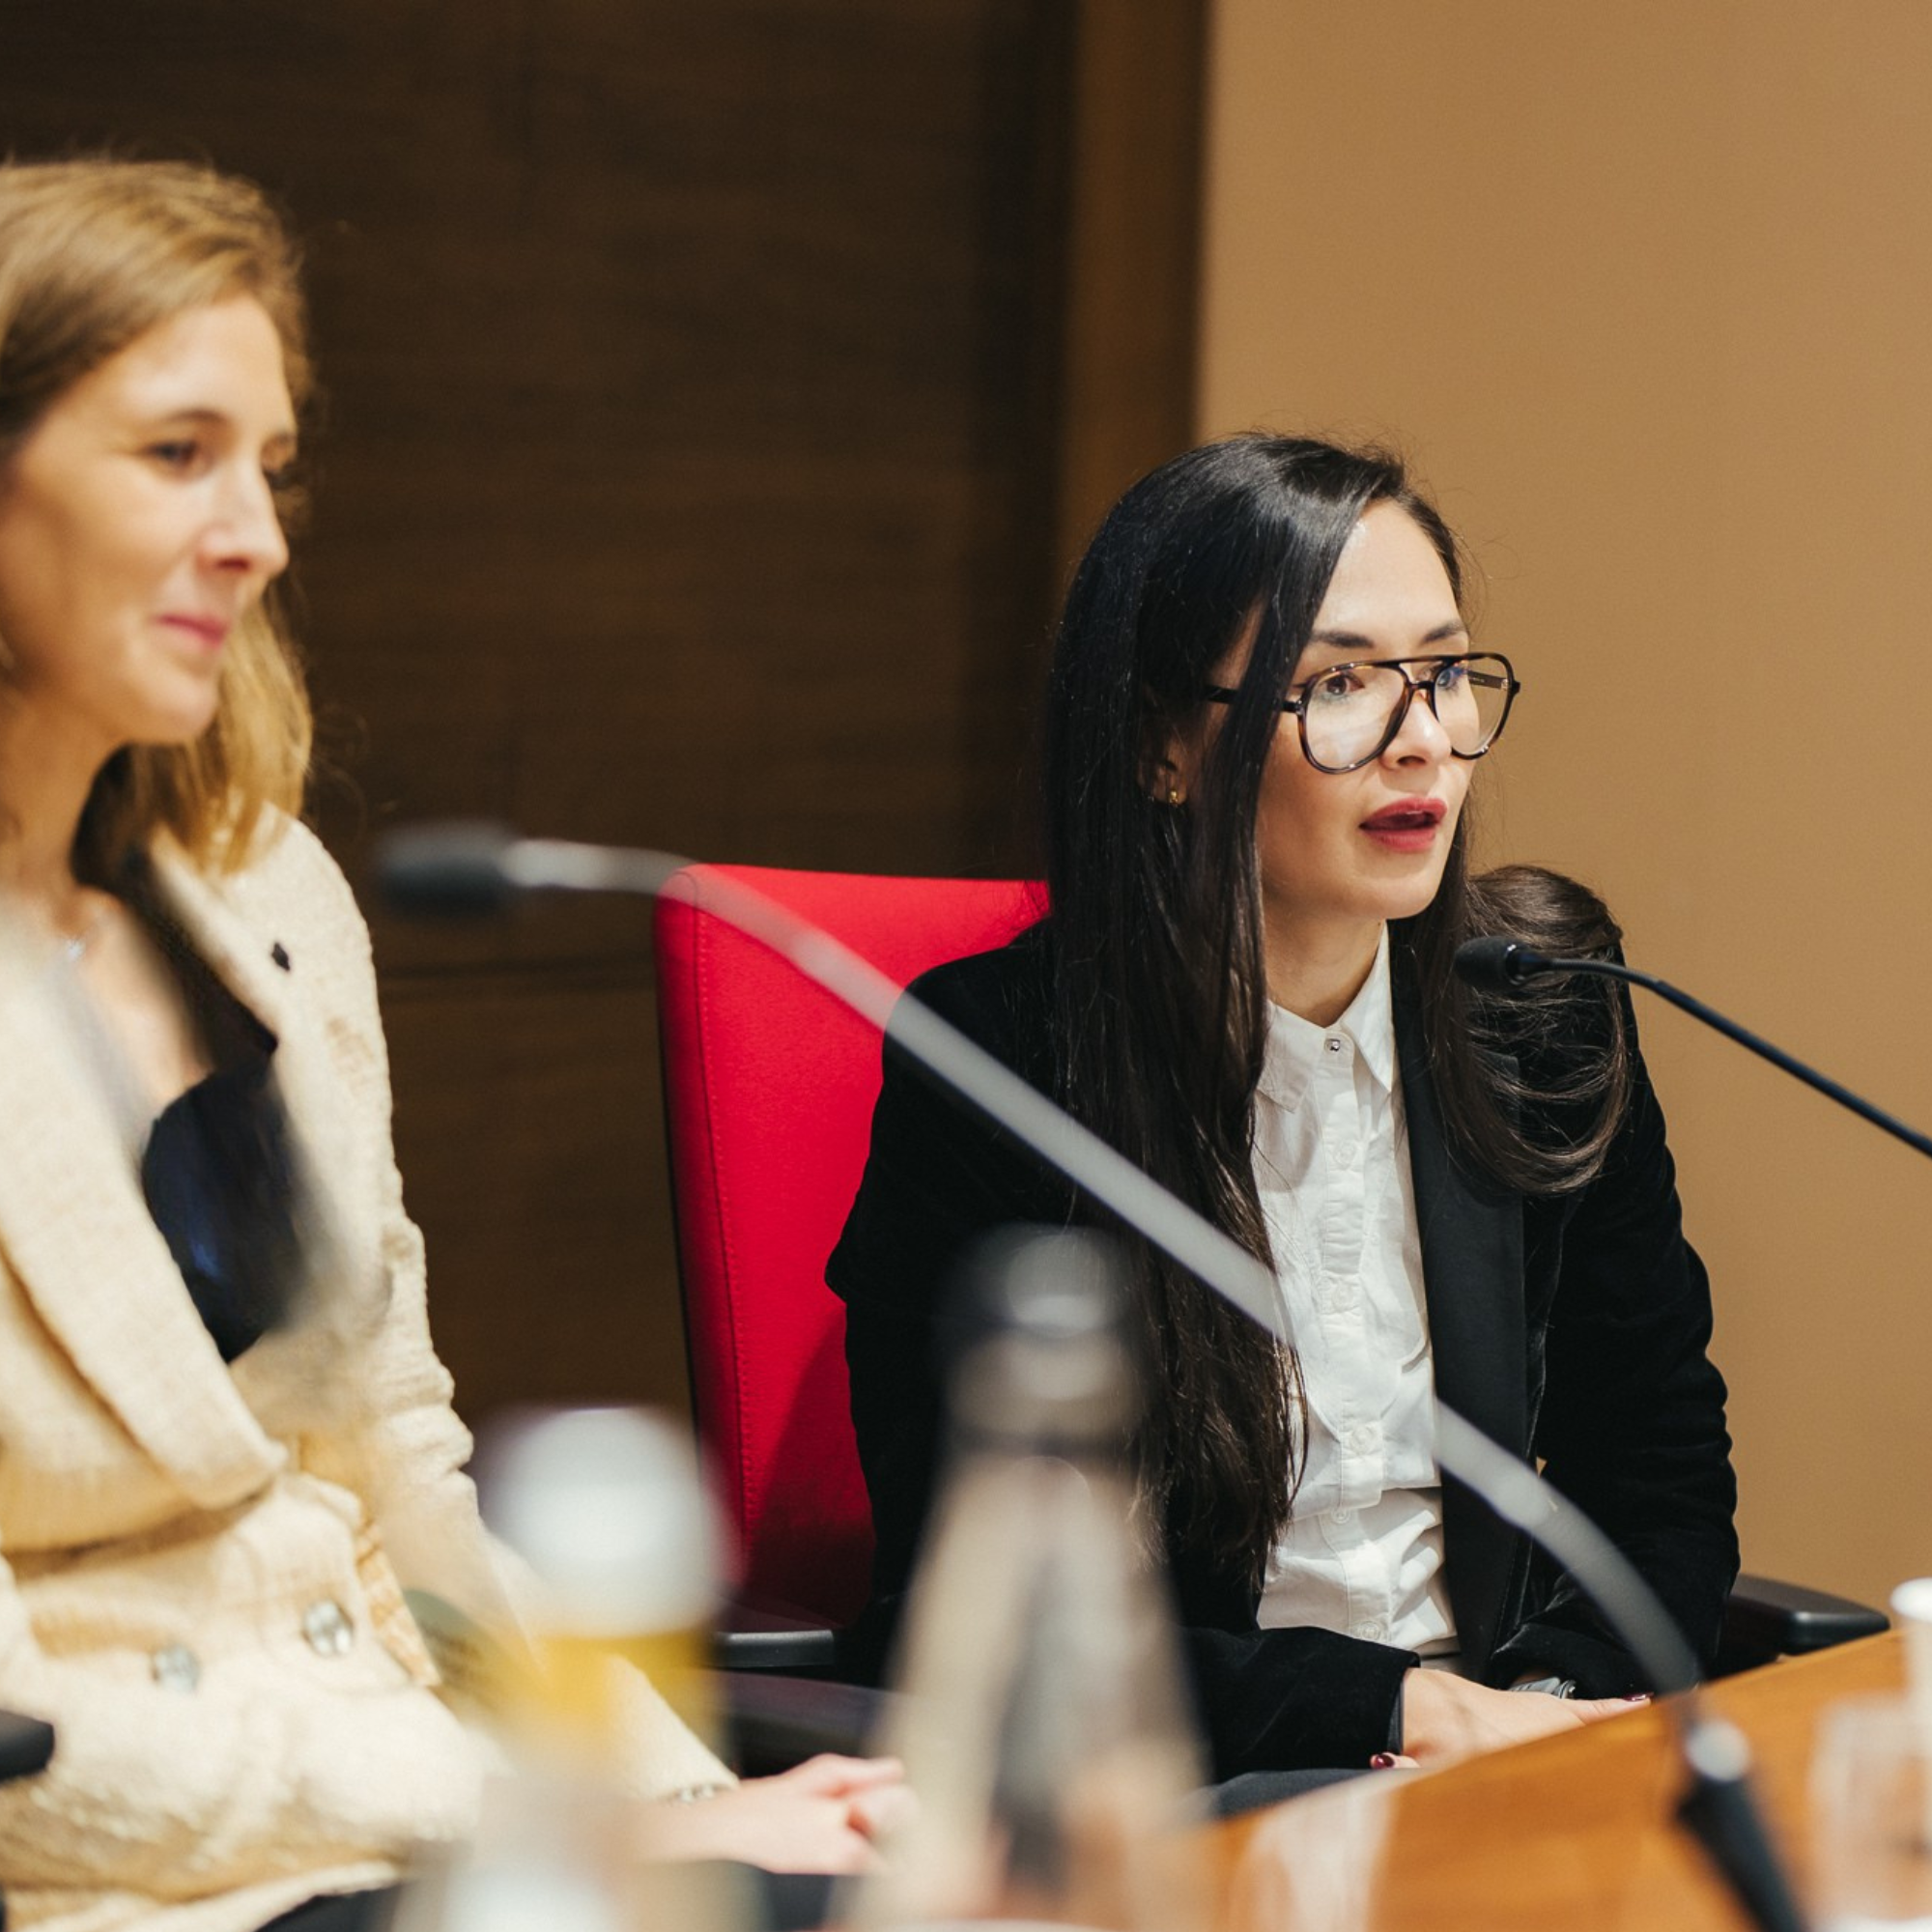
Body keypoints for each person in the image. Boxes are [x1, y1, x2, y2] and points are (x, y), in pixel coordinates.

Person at [0, 156, 900, 1932]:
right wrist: (542, 1828)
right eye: (177, 453)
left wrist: (687, 1804)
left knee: (962, 1877)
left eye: (268, 465)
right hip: (148, 1878)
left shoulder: (261, 892)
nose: (256, 535)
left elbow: (401, 1469)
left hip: (415, 1797)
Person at [829, 434, 1739, 1781]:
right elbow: (981, 1615)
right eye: (1342, 684)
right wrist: (1397, 1713)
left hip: (1520, 1756)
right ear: (1164, 748)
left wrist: (1544, 1708)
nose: (1422, 741)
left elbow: (1659, 1481)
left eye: (1444, 674)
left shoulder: (1544, 1013)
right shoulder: (1004, 1064)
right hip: (1189, 1790)